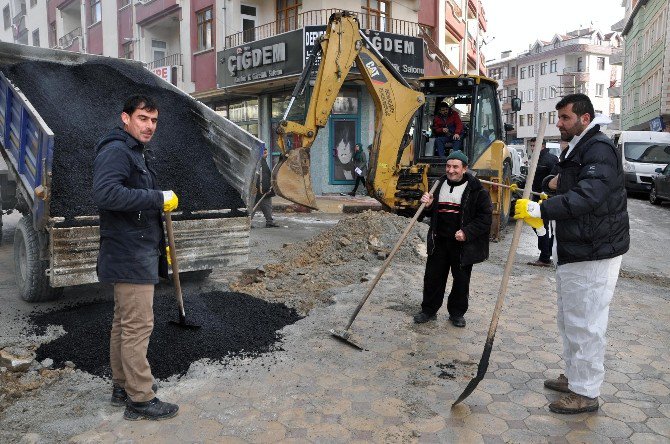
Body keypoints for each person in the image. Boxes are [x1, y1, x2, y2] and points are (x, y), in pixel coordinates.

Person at [514, 93, 629, 414]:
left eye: (565, 118)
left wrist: (543, 208)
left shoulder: (599, 148)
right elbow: (575, 180)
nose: (559, 124)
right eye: (559, 117)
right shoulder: (581, 146)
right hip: (577, 247)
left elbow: (590, 194)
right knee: (569, 320)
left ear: (584, 118)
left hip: (594, 250)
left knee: (587, 323)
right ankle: (575, 376)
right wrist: (553, 182)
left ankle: (586, 392)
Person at [93, 95, 179, 421]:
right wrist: (158, 197)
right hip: (129, 254)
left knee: (123, 324)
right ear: (125, 118)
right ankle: (140, 399)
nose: (149, 126)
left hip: (134, 249)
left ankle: (121, 386)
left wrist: (160, 241)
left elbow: (134, 204)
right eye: (143, 118)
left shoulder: (134, 152)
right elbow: (106, 193)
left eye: (154, 121)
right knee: (138, 327)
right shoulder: (117, 151)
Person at [414, 150, 492, 327]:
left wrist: (467, 232)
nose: (451, 170)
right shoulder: (438, 185)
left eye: (455, 167)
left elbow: (485, 218)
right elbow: (428, 213)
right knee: (433, 278)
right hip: (439, 241)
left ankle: (456, 313)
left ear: (464, 168)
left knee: (461, 281)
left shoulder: (477, 190)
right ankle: (428, 310)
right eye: (448, 166)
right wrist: (429, 205)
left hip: (462, 244)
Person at [526, 137, 558, 267]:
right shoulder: (535, 159)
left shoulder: (550, 159)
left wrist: (549, 193)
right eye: (532, 146)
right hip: (536, 196)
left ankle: (545, 256)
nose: (533, 148)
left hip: (545, 198)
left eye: (535, 145)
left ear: (543, 146)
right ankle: (546, 252)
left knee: (541, 227)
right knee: (538, 226)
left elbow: (554, 178)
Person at [252, 148, 279, 227]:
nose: (266, 153)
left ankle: (269, 222)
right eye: (264, 152)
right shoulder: (260, 163)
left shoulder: (262, 162)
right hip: (261, 190)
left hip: (261, 190)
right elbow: (262, 177)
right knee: (255, 207)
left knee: (266, 206)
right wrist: (266, 188)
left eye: (266, 152)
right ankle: (248, 221)